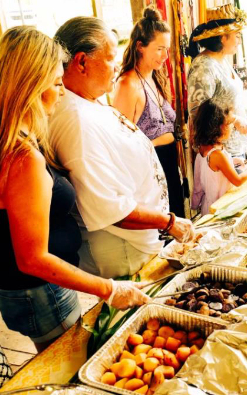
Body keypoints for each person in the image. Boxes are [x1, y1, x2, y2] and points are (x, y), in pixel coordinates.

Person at [0, 26, 150, 352]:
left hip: (26, 290)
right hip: (41, 292)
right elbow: (33, 259)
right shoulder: (23, 157)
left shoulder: (14, 141)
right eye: (56, 84)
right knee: (70, 366)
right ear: (30, 87)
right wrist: (108, 289)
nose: (62, 93)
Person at [49, 17, 194, 280]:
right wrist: (169, 222)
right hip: (123, 252)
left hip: (136, 244)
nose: (116, 66)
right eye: (110, 57)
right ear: (82, 61)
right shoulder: (76, 120)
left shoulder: (87, 102)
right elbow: (109, 208)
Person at [113, 6, 185, 218]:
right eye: (160, 49)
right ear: (140, 47)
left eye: (167, 49)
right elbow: (122, 143)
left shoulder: (154, 76)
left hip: (170, 164)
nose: (165, 56)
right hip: (151, 170)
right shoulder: (128, 84)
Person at [187, 4, 247, 163]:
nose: (239, 41)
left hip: (235, 149)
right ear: (222, 37)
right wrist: (235, 120)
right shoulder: (203, 67)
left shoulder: (222, 60)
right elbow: (199, 113)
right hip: (219, 155)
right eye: (237, 36)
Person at [191, 99, 247, 215]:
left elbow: (212, 172)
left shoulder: (203, 148)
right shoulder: (217, 155)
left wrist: (232, 161)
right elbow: (238, 181)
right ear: (217, 126)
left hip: (208, 205)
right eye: (230, 123)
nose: (232, 127)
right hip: (219, 208)